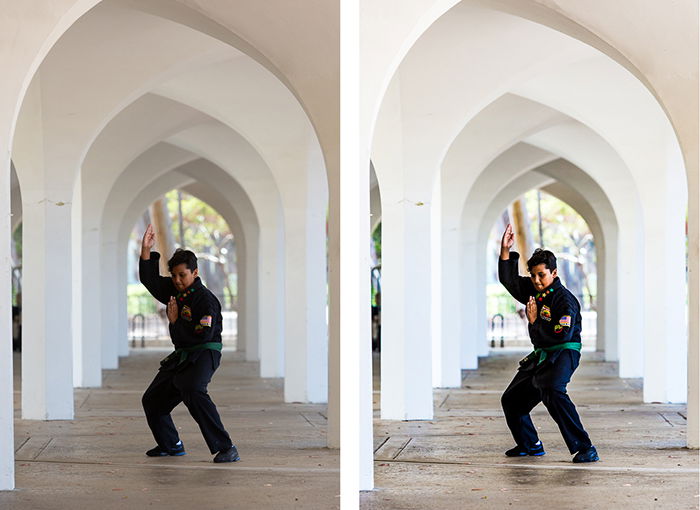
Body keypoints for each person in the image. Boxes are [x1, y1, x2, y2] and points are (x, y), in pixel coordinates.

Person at [498, 223, 599, 463]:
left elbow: (560, 336)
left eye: (541, 275)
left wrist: (534, 322)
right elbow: (511, 282)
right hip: (543, 353)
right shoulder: (534, 291)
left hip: (563, 353)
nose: (536, 280)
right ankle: (529, 444)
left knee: (552, 389)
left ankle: (585, 448)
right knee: (511, 399)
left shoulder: (565, 301)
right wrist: (505, 251)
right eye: (532, 275)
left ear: (554, 273)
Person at [139, 223, 239, 463]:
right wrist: (145, 250)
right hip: (184, 353)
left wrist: (174, 322)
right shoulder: (175, 291)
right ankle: (171, 444)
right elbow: (151, 281)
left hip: (204, 353)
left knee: (192, 389)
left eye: (182, 275)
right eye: (173, 276)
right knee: (152, 399)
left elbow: (201, 336)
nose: (177, 280)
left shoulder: (206, 301)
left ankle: (226, 447)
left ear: (195, 273)